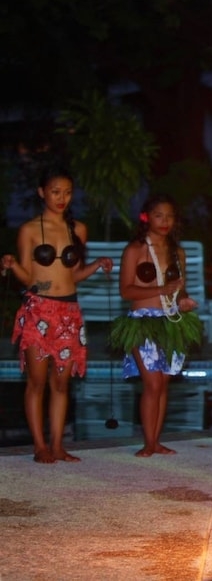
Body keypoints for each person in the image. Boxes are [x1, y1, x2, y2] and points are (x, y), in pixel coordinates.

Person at [2, 166, 113, 463]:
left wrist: (97, 265)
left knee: (62, 383)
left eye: (67, 192)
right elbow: (28, 276)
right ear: (42, 193)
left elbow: (73, 274)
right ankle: (39, 445)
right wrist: (12, 266)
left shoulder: (78, 230)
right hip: (39, 310)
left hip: (68, 312)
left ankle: (58, 445)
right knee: (37, 381)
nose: (61, 197)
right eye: (55, 192)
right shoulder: (28, 230)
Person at [108, 195, 202, 457]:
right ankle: (148, 442)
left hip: (171, 322)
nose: (165, 221)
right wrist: (161, 288)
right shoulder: (134, 250)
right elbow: (126, 290)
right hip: (142, 322)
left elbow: (180, 291)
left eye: (170, 216)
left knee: (163, 384)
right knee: (152, 383)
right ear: (147, 217)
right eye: (159, 215)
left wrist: (184, 300)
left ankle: (156, 440)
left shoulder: (177, 252)